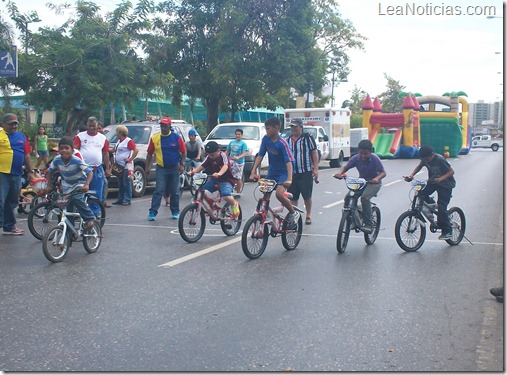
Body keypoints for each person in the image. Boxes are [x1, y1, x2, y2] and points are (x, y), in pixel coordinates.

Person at [249, 116, 297, 229]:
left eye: (268, 129)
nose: (267, 131)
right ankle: (267, 215)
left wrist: (289, 179)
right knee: (265, 195)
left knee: (279, 194)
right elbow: (260, 155)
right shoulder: (266, 139)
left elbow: (289, 162)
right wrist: (253, 171)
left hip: (284, 172)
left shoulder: (282, 143)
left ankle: (292, 213)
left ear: (276, 128)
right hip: (272, 171)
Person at [334, 139, 386, 234]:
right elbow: (346, 167)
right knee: (348, 197)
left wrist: (377, 179)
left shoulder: (375, 159)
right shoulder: (356, 158)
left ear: (370, 152)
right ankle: (351, 219)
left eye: (365, 154)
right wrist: (340, 174)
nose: (363, 156)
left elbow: (383, 173)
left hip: (373, 183)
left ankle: (368, 224)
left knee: (365, 198)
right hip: (361, 182)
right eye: (361, 153)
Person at [405, 144, 455, 240]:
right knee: (421, 194)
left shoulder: (440, 159)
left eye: (427, 159)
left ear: (432, 154)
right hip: (433, 182)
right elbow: (419, 167)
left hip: (446, 184)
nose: (426, 161)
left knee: (442, 207)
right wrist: (411, 176)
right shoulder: (424, 159)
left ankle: (448, 230)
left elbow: (451, 172)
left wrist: (441, 179)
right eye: (424, 159)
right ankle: (432, 205)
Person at [45, 137, 95, 230]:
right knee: (65, 207)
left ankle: (89, 219)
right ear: (59, 150)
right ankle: (69, 232)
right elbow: (49, 171)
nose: (64, 151)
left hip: (79, 183)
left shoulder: (76, 160)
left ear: (72, 150)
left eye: (67, 148)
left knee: (77, 198)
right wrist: (48, 185)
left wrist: (86, 185)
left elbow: (90, 172)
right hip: (66, 185)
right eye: (61, 148)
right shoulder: (57, 160)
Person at [146, 117, 187, 221]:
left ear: (169, 126)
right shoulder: (155, 138)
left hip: (174, 168)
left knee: (175, 191)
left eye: (165, 125)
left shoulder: (176, 138)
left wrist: (182, 164)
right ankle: (152, 212)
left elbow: (184, 152)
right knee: (159, 190)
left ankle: (175, 211)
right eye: (162, 125)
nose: (163, 127)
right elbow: (149, 153)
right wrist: (147, 167)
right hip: (161, 168)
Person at [0, 113, 33, 235]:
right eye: (11, 124)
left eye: (15, 124)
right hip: (2, 173)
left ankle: (9, 227)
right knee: (0, 200)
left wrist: (30, 171)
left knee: (12, 201)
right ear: (3, 124)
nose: (14, 126)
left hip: (17, 174)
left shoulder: (21, 136)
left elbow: (27, 154)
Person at [190, 141, 240, 218]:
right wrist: (193, 171)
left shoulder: (223, 156)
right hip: (214, 179)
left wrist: (219, 173)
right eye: (209, 155)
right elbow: (202, 166)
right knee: (202, 191)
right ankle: (212, 207)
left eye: (212, 155)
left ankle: (234, 203)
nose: (210, 157)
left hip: (226, 180)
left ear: (218, 151)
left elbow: (225, 166)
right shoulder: (209, 157)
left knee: (226, 196)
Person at [73, 116, 111, 217]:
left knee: (97, 192)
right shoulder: (80, 136)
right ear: (87, 125)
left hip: (97, 169)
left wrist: (107, 168)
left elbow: (106, 154)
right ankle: (80, 212)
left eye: (94, 126)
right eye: (90, 126)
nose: (92, 128)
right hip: (82, 169)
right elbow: (74, 151)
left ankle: (95, 212)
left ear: (97, 125)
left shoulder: (102, 138)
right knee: (80, 191)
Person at [286, 118, 319, 225]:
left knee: (307, 195)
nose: (294, 129)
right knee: (293, 195)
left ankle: (308, 214)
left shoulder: (307, 138)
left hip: (305, 171)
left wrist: (316, 168)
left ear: (301, 127)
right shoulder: (287, 140)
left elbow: (314, 153)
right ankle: (294, 214)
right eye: (292, 127)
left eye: (296, 126)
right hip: (292, 172)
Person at [111, 125, 139, 206]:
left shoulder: (128, 141)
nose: (116, 135)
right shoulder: (119, 142)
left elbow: (136, 150)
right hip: (119, 166)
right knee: (120, 183)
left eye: (117, 133)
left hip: (126, 166)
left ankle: (127, 199)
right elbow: (113, 150)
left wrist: (130, 159)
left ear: (120, 133)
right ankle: (121, 198)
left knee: (126, 183)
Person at [226, 128, 249, 193]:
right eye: (236, 134)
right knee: (229, 176)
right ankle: (229, 190)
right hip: (231, 162)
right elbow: (227, 151)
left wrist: (238, 157)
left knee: (238, 178)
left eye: (239, 134)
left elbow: (244, 153)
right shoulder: (231, 142)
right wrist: (224, 157)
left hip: (239, 163)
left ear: (242, 135)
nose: (237, 135)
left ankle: (238, 192)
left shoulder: (243, 144)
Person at [96, 122, 111, 207]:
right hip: (92, 166)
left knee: (104, 183)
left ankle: (102, 201)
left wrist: (108, 168)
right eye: (97, 128)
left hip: (101, 165)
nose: (98, 130)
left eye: (100, 128)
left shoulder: (104, 140)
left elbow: (107, 154)